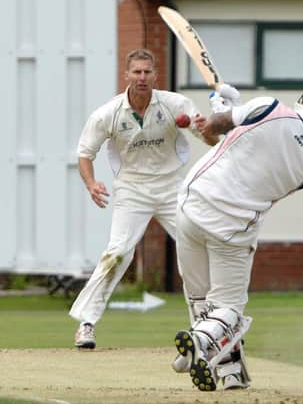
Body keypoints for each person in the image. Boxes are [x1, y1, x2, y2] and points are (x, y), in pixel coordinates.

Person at [171, 81, 303, 392]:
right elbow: (251, 154)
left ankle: (228, 370)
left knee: (199, 297)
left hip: (191, 206)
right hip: (233, 228)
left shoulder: (268, 106)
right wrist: (231, 110)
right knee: (229, 308)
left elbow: (214, 133)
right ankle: (202, 340)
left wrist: (223, 107)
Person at [69, 49, 214, 349]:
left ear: (155, 75)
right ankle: (86, 323)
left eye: (147, 72)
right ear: (126, 75)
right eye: (136, 72)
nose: (142, 77)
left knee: (195, 246)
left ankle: (207, 324)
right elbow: (85, 153)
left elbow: (210, 139)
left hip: (172, 186)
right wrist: (91, 183)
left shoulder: (175, 105)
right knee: (119, 252)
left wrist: (205, 128)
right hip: (132, 188)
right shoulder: (107, 113)